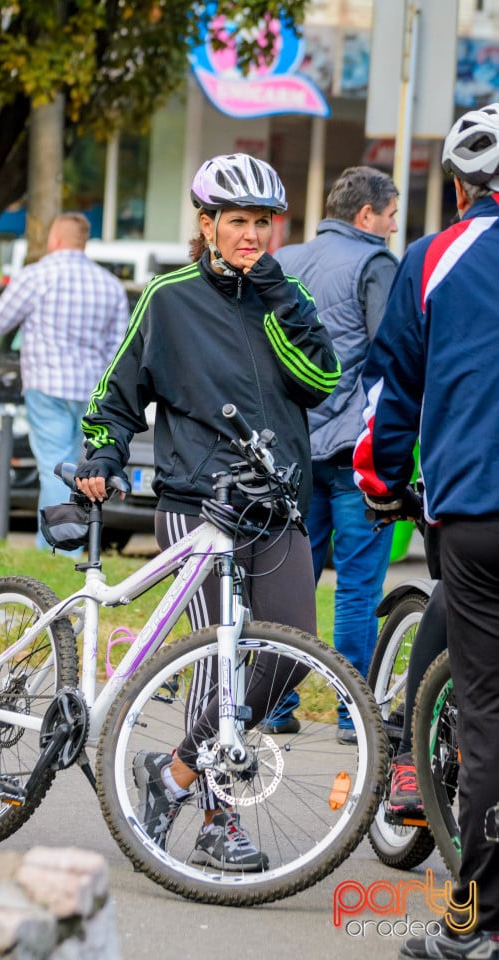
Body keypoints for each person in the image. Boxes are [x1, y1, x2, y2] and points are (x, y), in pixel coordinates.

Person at [75, 153, 340, 870]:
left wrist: (280, 297)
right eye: (238, 222)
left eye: (263, 223)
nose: (251, 235)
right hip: (198, 506)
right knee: (218, 664)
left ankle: (175, 774)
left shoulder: (288, 299)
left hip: (277, 505)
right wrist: (101, 457)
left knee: (291, 655)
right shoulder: (168, 297)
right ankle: (220, 820)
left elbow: (322, 380)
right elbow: (116, 395)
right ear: (208, 225)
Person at [353, 103, 499, 960]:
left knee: (485, 712)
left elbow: (390, 392)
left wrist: (379, 485)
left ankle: (474, 926)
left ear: (458, 186)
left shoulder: (436, 257)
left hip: (478, 513)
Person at [270, 166, 399, 744]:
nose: (394, 227)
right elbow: (392, 352)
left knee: (290, 584)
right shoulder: (375, 265)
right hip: (353, 450)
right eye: (391, 215)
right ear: (366, 216)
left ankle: (272, 704)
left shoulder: (287, 259)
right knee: (357, 589)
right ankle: (353, 715)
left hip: (292, 448)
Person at [0, 213, 129, 549]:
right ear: (83, 241)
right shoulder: (109, 285)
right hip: (91, 393)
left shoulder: (37, 276)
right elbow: (118, 349)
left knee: (54, 466)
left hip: (47, 387)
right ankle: (77, 540)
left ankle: (55, 544)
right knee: (81, 468)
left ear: (55, 239)